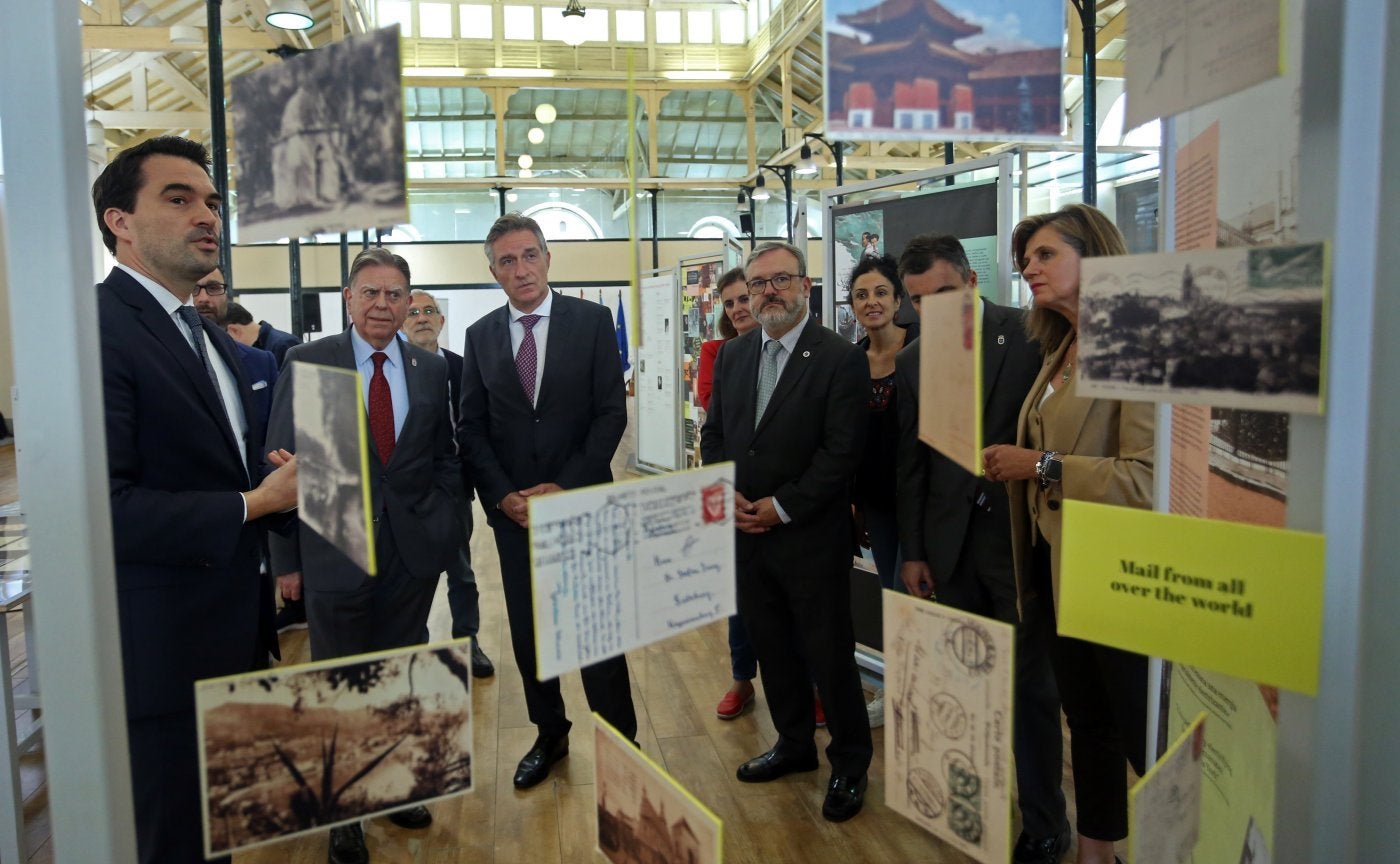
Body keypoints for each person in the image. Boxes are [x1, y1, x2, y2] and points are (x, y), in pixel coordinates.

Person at [92, 135, 298, 864]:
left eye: (211, 201)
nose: (206, 215)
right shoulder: (98, 329)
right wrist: (256, 503)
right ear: (120, 221)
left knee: (217, 837)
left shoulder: (206, 338)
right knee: (173, 839)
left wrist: (279, 481)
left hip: (233, 636)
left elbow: (223, 469)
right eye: (178, 199)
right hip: (161, 651)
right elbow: (104, 512)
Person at [266, 247, 462, 864]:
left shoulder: (429, 370)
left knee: (398, 671)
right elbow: (278, 467)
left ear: (410, 303)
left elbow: (444, 457)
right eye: (370, 293)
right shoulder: (307, 361)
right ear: (349, 299)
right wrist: (286, 562)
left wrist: (445, 524)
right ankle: (345, 811)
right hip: (333, 550)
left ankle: (394, 785)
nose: (383, 304)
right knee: (340, 680)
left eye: (395, 294)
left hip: (411, 555)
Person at [982, 204, 1155, 864]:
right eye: (1026, 259)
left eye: (1045, 255)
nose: (1028, 268)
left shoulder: (1132, 343)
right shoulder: (1059, 346)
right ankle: (1096, 853)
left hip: (1117, 577)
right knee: (1087, 722)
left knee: (1140, 732)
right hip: (1056, 572)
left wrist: (1041, 466)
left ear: (1096, 256)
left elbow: (1145, 479)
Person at [894, 233, 1070, 864]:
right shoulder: (913, 361)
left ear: (970, 282)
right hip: (948, 549)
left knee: (1030, 691)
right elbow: (910, 466)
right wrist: (914, 550)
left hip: (1018, 547)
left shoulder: (1031, 335)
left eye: (941, 293)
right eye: (916, 301)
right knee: (962, 685)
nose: (929, 310)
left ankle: (1047, 821)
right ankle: (970, 802)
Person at [456, 213, 637, 790]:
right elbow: (473, 428)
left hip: (581, 506)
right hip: (514, 517)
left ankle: (620, 743)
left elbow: (611, 412)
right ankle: (550, 734)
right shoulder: (480, 335)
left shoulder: (592, 321)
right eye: (507, 261)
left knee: (597, 631)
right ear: (493, 272)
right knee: (533, 634)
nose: (521, 268)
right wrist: (504, 496)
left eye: (529, 255)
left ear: (548, 259)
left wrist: (566, 487)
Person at [699, 241, 873, 823]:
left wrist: (783, 506)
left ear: (804, 286)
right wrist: (729, 495)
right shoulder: (733, 354)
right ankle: (795, 745)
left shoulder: (840, 357)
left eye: (781, 280)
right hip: (746, 534)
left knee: (828, 656)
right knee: (773, 650)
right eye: (758, 284)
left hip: (809, 538)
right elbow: (717, 435)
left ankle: (850, 763)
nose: (768, 291)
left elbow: (842, 451)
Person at [401, 288, 494, 677]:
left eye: (429, 311)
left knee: (462, 571)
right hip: (408, 492)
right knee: (412, 575)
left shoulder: (462, 366)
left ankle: (467, 640)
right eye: (413, 312)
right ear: (401, 323)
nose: (422, 317)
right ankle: (414, 649)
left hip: (455, 487)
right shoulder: (392, 368)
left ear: (441, 321)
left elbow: (477, 427)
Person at [697, 268, 763, 720]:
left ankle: (810, 683)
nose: (739, 308)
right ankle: (742, 678)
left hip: (782, 496)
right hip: (736, 491)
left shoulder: (805, 352)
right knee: (737, 592)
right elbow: (711, 413)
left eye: (744, 298)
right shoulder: (719, 353)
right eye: (730, 303)